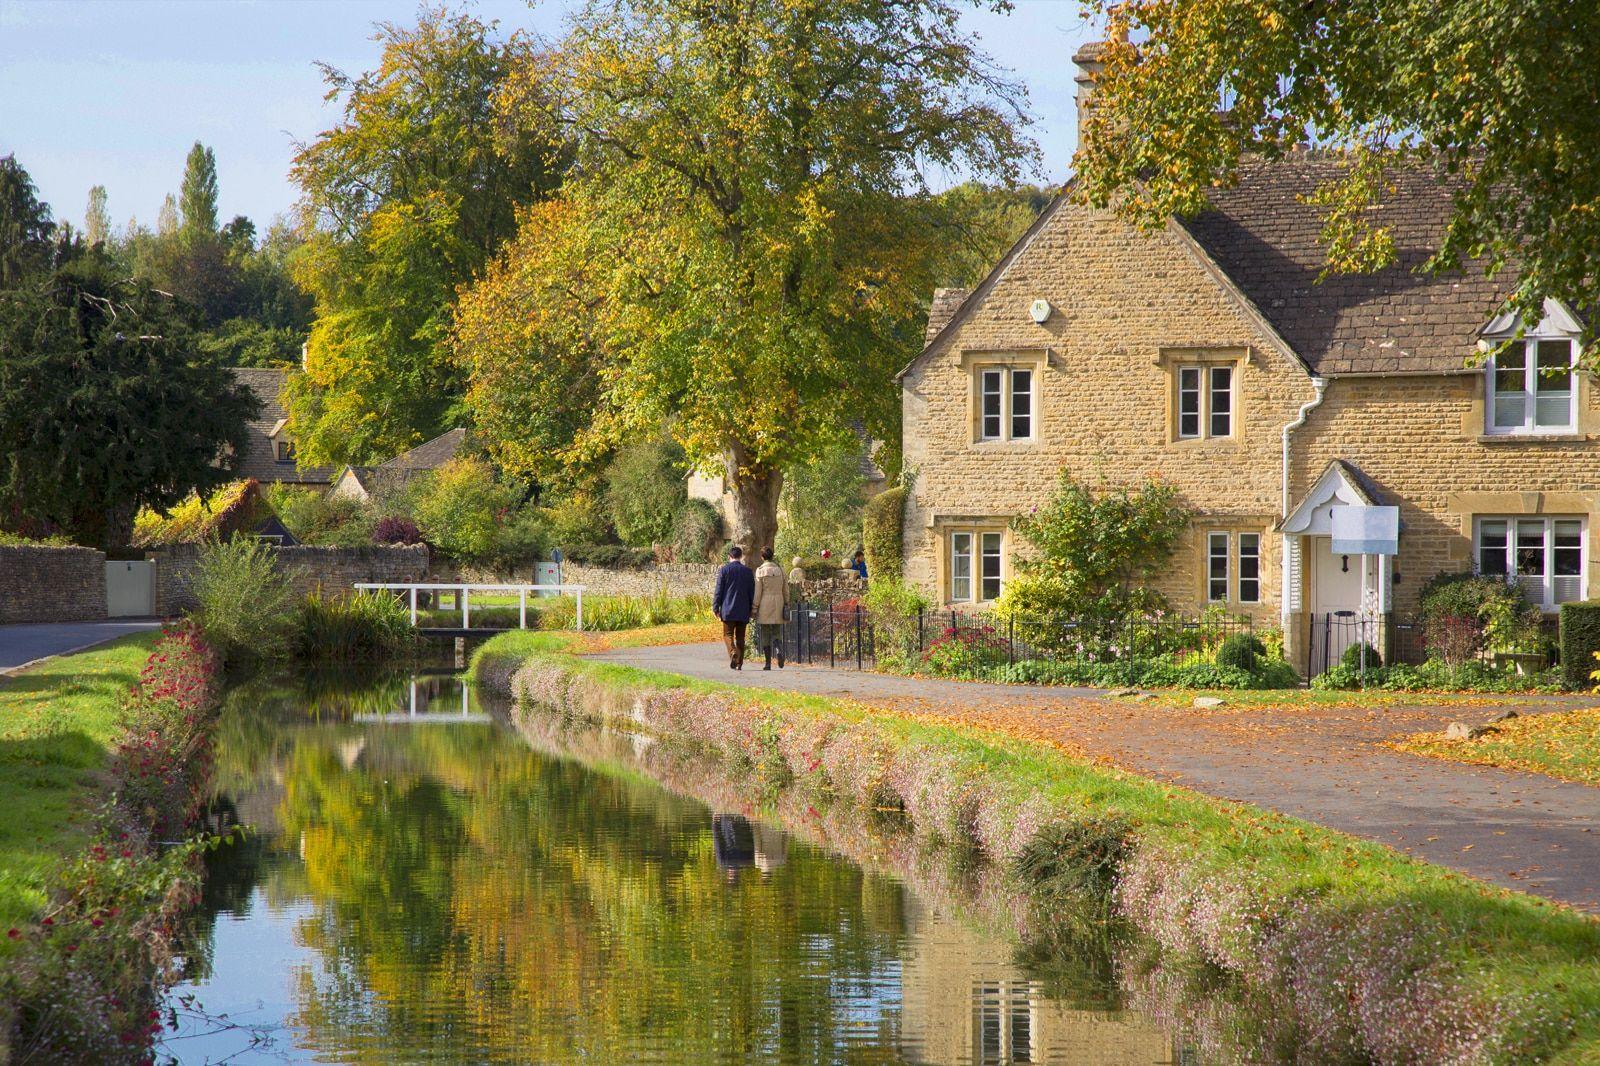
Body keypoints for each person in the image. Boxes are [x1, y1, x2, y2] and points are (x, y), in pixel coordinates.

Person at [711, 544, 755, 669]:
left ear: (729, 556)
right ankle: (739, 663)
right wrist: (752, 608)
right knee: (741, 637)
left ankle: (732, 652)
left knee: (728, 635)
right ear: (741, 557)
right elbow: (752, 592)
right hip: (743, 610)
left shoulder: (724, 570)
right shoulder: (747, 572)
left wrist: (715, 607)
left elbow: (718, 590)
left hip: (728, 609)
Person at [750, 546, 787, 670]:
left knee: (765, 632)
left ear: (762, 557)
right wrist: (787, 602)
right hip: (778, 601)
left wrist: (754, 608)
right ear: (772, 556)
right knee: (776, 630)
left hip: (765, 603)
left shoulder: (760, 571)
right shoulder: (781, 570)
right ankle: (778, 649)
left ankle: (767, 664)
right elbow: (785, 589)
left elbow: (757, 592)